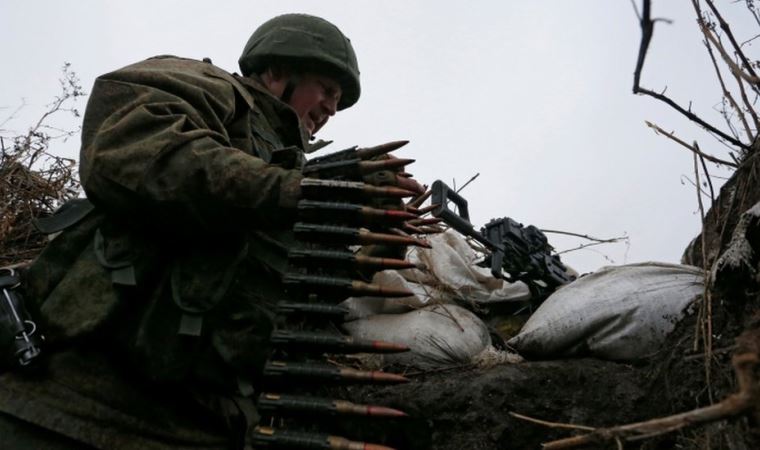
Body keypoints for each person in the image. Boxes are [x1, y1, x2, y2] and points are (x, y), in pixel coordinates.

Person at [0, 13, 423, 449]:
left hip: (210, 425)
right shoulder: (211, 87)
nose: (333, 108)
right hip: (76, 408)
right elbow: (132, 152)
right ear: (278, 70)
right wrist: (302, 191)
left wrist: (363, 229)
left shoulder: (289, 168)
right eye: (328, 90)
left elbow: (277, 298)